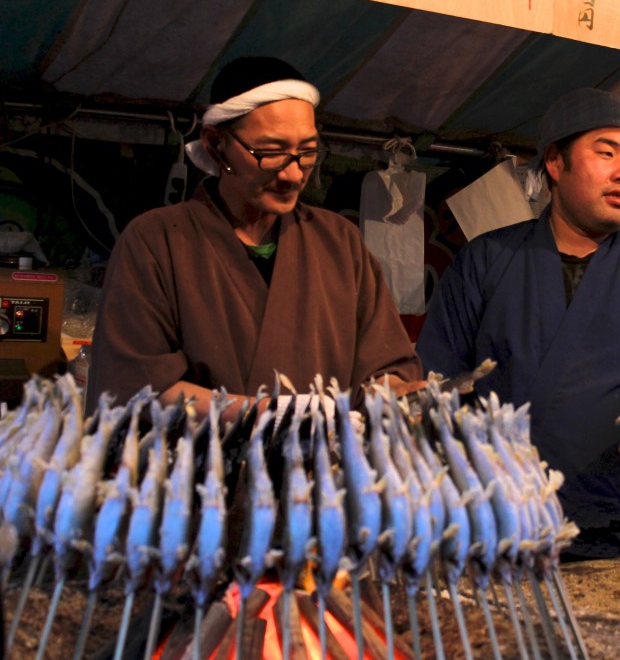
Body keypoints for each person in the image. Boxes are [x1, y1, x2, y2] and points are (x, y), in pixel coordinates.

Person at [416, 88, 620, 559]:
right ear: (555, 163)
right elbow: (435, 384)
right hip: (499, 526)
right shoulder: (487, 261)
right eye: (607, 153)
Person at [88, 57, 422, 419]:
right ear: (216, 144)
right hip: (203, 469)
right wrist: (271, 415)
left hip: (324, 469)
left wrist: (393, 394)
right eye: (271, 153)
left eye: (308, 153)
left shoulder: (339, 241)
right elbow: (139, 386)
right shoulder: (157, 241)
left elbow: (382, 366)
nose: (293, 175)